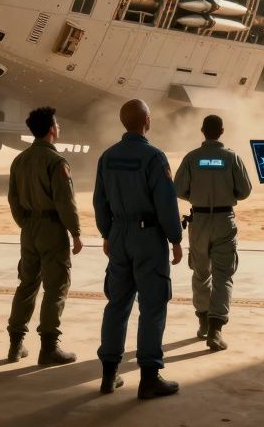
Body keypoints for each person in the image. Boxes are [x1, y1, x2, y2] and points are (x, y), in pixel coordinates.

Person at [94, 99, 182, 400]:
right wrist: (175, 239)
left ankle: (109, 375)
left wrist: (108, 233)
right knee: (153, 306)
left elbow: (100, 201)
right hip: (147, 238)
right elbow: (166, 203)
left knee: (117, 304)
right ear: (147, 121)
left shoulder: (107, 157)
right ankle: (149, 378)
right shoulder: (154, 157)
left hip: (119, 234)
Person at [6, 107, 84, 365]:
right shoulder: (56, 161)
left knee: (27, 284)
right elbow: (65, 202)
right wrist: (75, 232)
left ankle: (15, 345)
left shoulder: (20, 160)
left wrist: (26, 223)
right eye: (57, 124)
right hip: (51, 228)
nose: (58, 128)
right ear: (51, 129)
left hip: (29, 228)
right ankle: (49, 347)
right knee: (56, 286)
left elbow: (13, 199)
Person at [174, 114, 252, 351]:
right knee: (223, 275)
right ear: (222, 131)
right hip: (223, 220)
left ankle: (203, 322)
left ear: (202, 130)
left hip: (198, 221)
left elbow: (179, 189)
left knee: (200, 273)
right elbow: (245, 190)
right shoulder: (231, 157)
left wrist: (197, 196)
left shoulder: (191, 158)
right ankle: (216, 331)